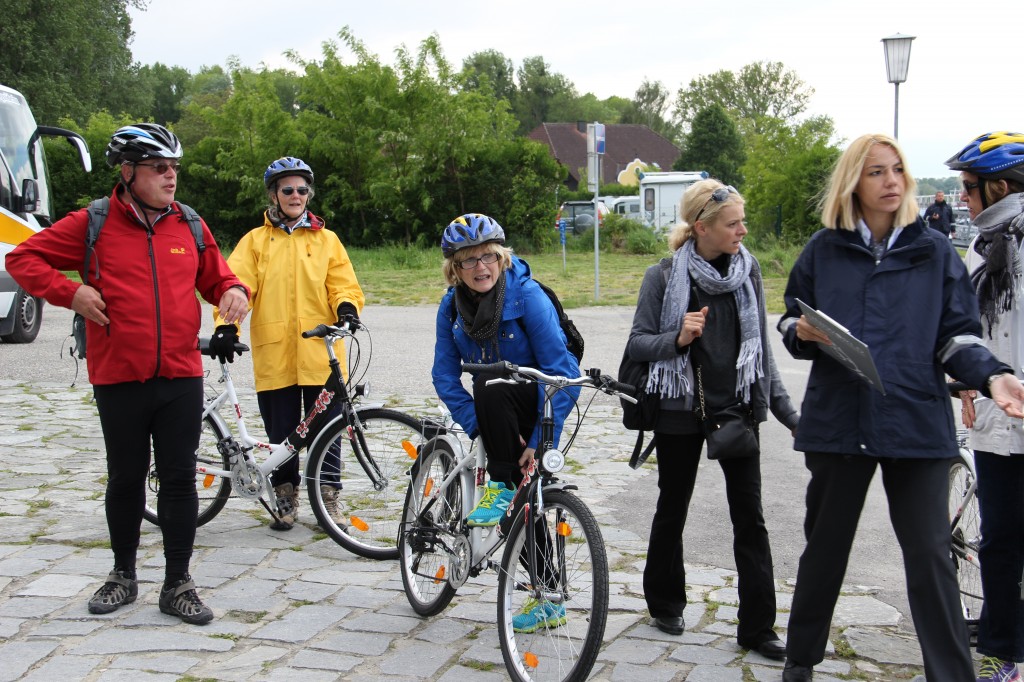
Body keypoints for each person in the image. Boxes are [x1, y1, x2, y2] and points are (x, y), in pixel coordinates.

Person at [777, 133, 1024, 682]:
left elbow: (957, 336)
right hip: (839, 421)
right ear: (852, 184)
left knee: (931, 556)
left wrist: (994, 377)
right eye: (876, 172)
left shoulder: (935, 250)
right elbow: (791, 321)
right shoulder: (824, 248)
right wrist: (803, 331)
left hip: (914, 420)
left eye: (897, 170)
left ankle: (951, 674)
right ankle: (800, 662)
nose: (891, 181)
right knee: (825, 549)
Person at [6, 123, 250, 625]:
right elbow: (23, 257)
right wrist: (68, 292)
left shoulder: (189, 224)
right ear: (128, 171)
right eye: (159, 167)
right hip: (118, 375)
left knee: (181, 479)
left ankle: (178, 583)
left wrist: (234, 290)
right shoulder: (93, 222)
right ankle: (122, 574)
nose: (170, 176)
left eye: (175, 168)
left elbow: (218, 277)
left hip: (180, 374)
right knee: (125, 477)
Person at [625, 179, 798, 660]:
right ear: (702, 227)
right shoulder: (662, 276)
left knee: (751, 518)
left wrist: (789, 415)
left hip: (736, 409)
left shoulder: (749, 271)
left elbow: (760, 350)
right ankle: (665, 604)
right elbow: (638, 343)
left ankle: (758, 628)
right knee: (672, 507)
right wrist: (676, 338)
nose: (743, 229)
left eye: (742, 220)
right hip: (680, 408)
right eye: (733, 222)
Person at [431, 213, 581, 632]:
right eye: (469, 260)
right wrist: (477, 426)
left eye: (489, 257)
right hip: (490, 412)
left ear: (502, 258)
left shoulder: (527, 298)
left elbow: (562, 375)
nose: (481, 267)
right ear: (454, 269)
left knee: (493, 386)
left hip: (537, 402)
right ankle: (548, 596)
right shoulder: (451, 307)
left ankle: (500, 486)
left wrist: (540, 440)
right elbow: (443, 374)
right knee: (521, 501)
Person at [218, 156, 364, 531]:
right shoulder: (254, 241)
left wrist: (346, 309)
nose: (296, 195)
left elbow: (342, 284)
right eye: (288, 190)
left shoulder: (327, 240)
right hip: (275, 351)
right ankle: (286, 495)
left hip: (320, 352)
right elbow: (237, 287)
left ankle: (328, 498)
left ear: (308, 194)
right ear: (274, 194)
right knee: (281, 432)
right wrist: (227, 327)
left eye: (302, 189)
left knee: (327, 428)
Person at [946, 131, 1024, 682]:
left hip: (1012, 404)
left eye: (970, 190)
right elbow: (975, 328)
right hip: (999, 412)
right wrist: (972, 382)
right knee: (1001, 538)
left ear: (1000, 186)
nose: (965, 202)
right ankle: (1005, 648)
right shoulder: (983, 244)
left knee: (1005, 538)